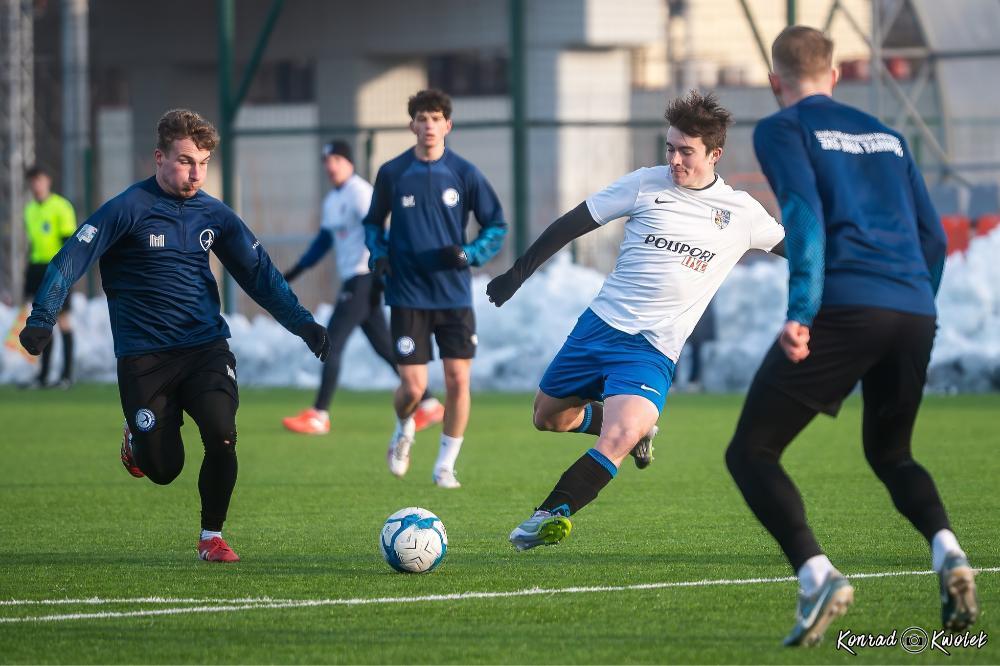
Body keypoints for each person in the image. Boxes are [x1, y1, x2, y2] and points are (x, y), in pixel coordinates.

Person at [724, 26, 977, 647]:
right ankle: (948, 551)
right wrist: (918, 307)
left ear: (775, 81)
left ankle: (817, 576)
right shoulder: (888, 137)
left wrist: (802, 312)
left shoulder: (782, 128)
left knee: (751, 452)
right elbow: (935, 239)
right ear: (834, 76)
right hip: (913, 308)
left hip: (847, 304)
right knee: (892, 454)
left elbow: (804, 220)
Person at [19, 109, 330, 562]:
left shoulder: (214, 214)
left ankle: (211, 537)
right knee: (165, 469)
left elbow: (258, 274)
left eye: (203, 163)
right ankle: (137, 440)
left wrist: (303, 323)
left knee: (223, 434)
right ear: (159, 157)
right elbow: (68, 260)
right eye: (186, 161)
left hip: (205, 347)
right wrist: (42, 317)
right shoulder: (126, 209)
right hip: (145, 358)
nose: (196, 173)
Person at [487, 91, 786, 551]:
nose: (675, 160)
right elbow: (575, 222)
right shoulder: (646, 183)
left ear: (715, 154)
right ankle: (634, 428)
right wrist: (518, 273)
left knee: (620, 436)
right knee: (547, 418)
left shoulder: (742, 213)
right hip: (599, 328)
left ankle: (550, 513)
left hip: (651, 349)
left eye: (686, 151)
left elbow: (801, 252)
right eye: (670, 148)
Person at [364, 89, 507, 489]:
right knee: (414, 386)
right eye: (422, 118)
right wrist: (379, 254)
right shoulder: (393, 173)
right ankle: (403, 428)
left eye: (436, 118)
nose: (429, 125)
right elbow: (372, 224)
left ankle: (445, 464)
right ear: (412, 125)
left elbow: (496, 225)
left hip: (453, 296)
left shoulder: (464, 173)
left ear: (448, 125)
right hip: (407, 293)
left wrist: (471, 254)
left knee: (459, 380)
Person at [280, 139, 444, 436]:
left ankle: (319, 415)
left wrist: (390, 268)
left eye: (337, 160)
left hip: (365, 277)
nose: (331, 167)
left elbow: (383, 229)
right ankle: (430, 404)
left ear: (349, 163)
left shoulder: (360, 192)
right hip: (355, 280)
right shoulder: (332, 201)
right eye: (327, 162)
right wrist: (293, 272)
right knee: (384, 347)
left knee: (331, 340)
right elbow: (324, 242)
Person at [22, 166, 77, 389]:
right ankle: (43, 375)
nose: (37, 185)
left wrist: (65, 274)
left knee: (63, 321)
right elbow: (33, 244)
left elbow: (69, 243)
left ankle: (66, 375)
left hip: (57, 270)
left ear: (48, 181)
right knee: (40, 322)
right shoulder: (29, 210)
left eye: (40, 180)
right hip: (36, 268)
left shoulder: (61, 207)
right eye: (33, 181)